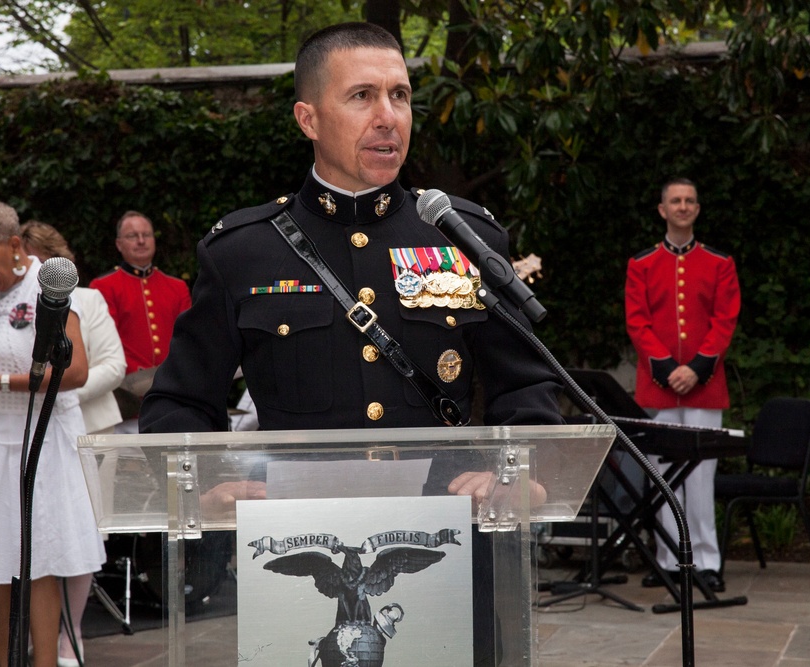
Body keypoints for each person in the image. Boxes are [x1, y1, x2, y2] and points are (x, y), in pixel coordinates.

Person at [139, 22, 562, 664]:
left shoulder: (460, 239)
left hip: (444, 546)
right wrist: (204, 488)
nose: (388, 117)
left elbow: (527, 385)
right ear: (308, 117)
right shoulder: (245, 250)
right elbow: (178, 403)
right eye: (362, 96)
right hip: (295, 547)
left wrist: (517, 474)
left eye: (401, 95)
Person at [0, 198, 106, 667]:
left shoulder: (48, 285)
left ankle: (46, 661)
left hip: (40, 443)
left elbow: (77, 371)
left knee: (39, 559)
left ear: (13, 244)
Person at [624, 177, 740, 593]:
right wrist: (667, 366)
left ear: (697, 208)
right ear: (662, 209)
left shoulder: (719, 262)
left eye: (690, 200)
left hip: (705, 386)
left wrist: (696, 368)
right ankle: (669, 560)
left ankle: (707, 562)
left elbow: (725, 321)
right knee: (661, 477)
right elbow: (637, 321)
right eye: (676, 200)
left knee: (701, 480)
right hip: (658, 386)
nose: (683, 206)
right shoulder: (641, 264)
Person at [20, 220, 127, 667]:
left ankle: (72, 632)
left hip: (90, 429)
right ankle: (37, 630)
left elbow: (114, 365)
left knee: (80, 536)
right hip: (33, 437)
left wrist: (60, 396)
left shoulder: (87, 299)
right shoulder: (8, 302)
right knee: (39, 535)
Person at [89, 210, 191, 433]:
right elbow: (102, 345)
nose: (142, 241)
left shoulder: (176, 287)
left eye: (147, 234)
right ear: (118, 244)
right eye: (133, 236)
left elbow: (187, 341)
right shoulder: (104, 287)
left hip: (170, 397)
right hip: (126, 402)